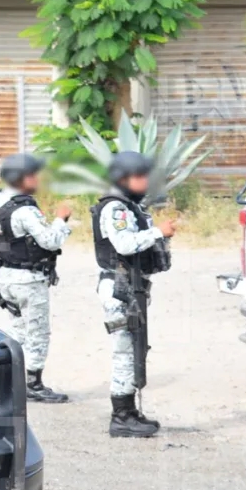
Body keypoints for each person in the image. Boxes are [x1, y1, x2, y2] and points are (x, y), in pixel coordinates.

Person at [91, 151, 176, 437]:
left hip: (130, 287)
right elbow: (125, 244)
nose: (146, 182)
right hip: (119, 289)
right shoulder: (114, 209)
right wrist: (157, 233)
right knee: (125, 353)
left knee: (134, 350)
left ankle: (130, 411)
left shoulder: (128, 207)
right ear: (124, 178)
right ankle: (121, 416)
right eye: (141, 177)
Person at [0, 153, 72, 404]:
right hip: (28, 280)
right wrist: (61, 219)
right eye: (33, 175)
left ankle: (6, 380)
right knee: (37, 332)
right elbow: (50, 240)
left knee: (16, 330)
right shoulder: (25, 209)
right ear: (22, 178)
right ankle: (33, 383)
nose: (38, 179)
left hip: (6, 277)